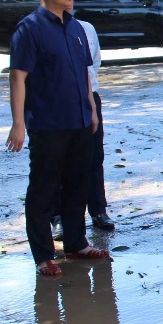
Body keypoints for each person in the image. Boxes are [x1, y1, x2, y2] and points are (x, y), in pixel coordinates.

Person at [5, 0, 110, 277]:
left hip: (80, 120)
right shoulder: (29, 29)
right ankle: (44, 255)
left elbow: (85, 73)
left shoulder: (76, 28)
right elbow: (17, 77)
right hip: (48, 124)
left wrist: (91, 109)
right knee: (44, 189)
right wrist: (18, 123)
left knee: (78, 183)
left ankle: (76, 243)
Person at [51, 19, 115, 240]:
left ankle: (98, 210)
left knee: (94, 156)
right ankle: (59, 217)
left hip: (88, 97)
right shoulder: (39, 28)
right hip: (59, 99)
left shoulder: (85, 28)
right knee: (60, 159)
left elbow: (93, 63)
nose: (69, 1)